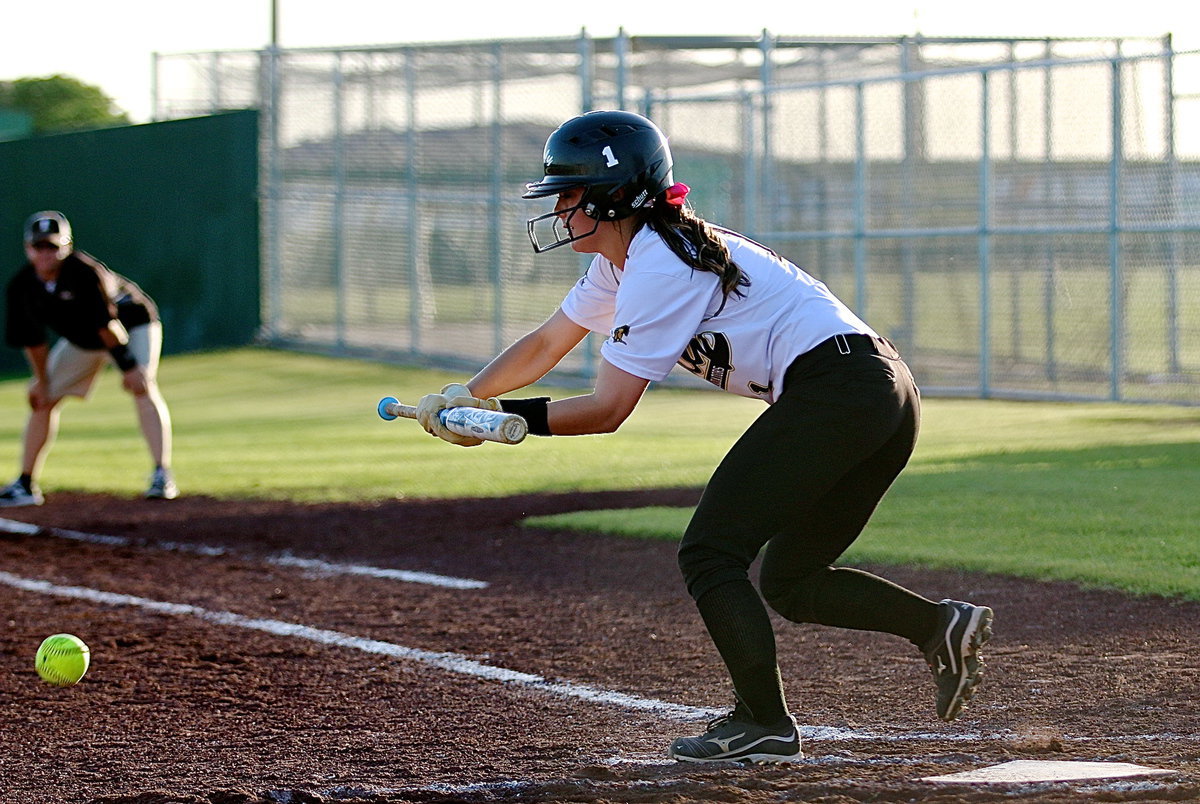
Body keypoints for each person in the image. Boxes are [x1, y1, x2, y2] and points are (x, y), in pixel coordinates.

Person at [414, 110, 993, 764]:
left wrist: (497, 424)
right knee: (792, 581)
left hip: (843, 389)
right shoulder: (628, 259)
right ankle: (940, 626)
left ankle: (763, 724)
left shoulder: (659, 262)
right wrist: (470, 394)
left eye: (571, 194)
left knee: (709, 552)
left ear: (614, 197)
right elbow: (549, 341)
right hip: (876, 391)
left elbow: (608, 409)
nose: (560, 208)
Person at [1, 211, 177, 506]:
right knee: (42, 400)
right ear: (27, 248)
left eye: (52, 246)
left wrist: (131, 367)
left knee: (143, 386)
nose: (45, 253)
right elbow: (34, 342)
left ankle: (162, 474)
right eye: (38, 246)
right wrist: (41, 381)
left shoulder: (84, 272)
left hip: (131, 325)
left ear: (66, 247)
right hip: (84, 339)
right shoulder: (21, 286)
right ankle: (25, 484)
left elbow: (108, 326)